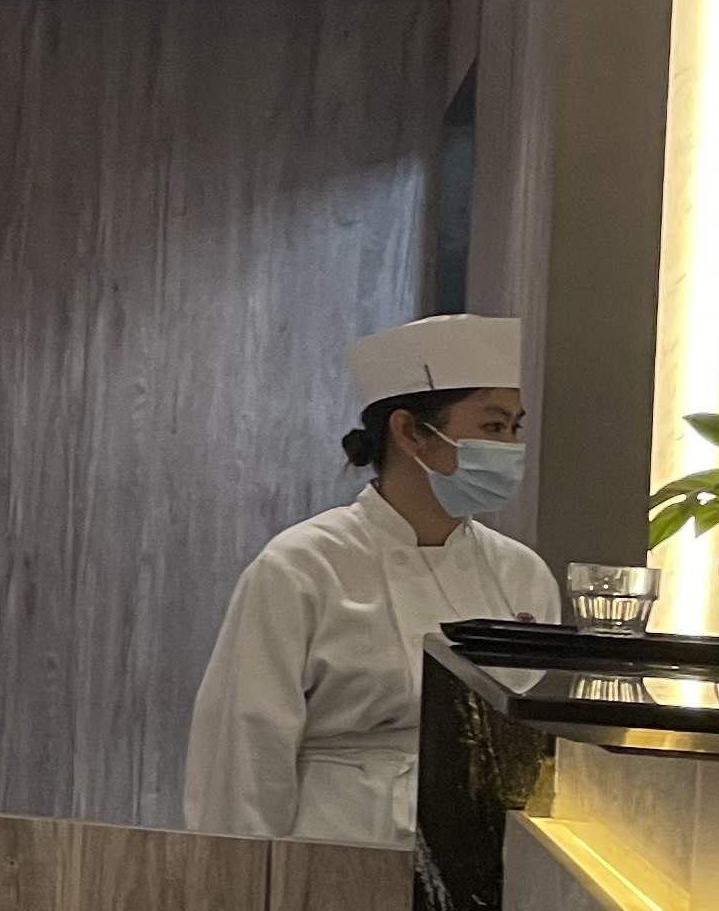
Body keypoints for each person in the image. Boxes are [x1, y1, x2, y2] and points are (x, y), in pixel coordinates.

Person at [183, 312, 560, 845]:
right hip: (333, 854)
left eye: (514, 428)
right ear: (409, 432)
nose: (512, 447)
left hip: (478, 853)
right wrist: (240, 889)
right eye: (493, 427)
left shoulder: (521, 575)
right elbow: (246, 750)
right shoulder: (302, 567)